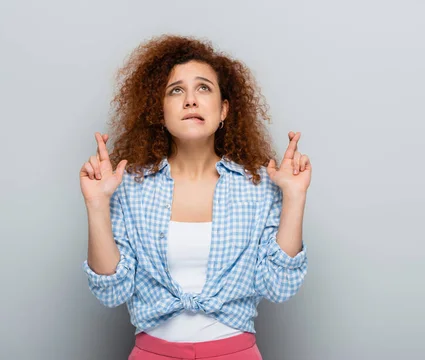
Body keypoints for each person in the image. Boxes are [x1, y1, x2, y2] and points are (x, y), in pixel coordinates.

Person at [79, 35, 311, 359]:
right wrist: (97, 203)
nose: (190, 100)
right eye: (176, 90)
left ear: (224, 110)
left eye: (203, 88)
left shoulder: (258, 186)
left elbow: (279, 285)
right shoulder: (129, 187)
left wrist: (295, 196)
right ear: (160, 112)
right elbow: (110, 291)